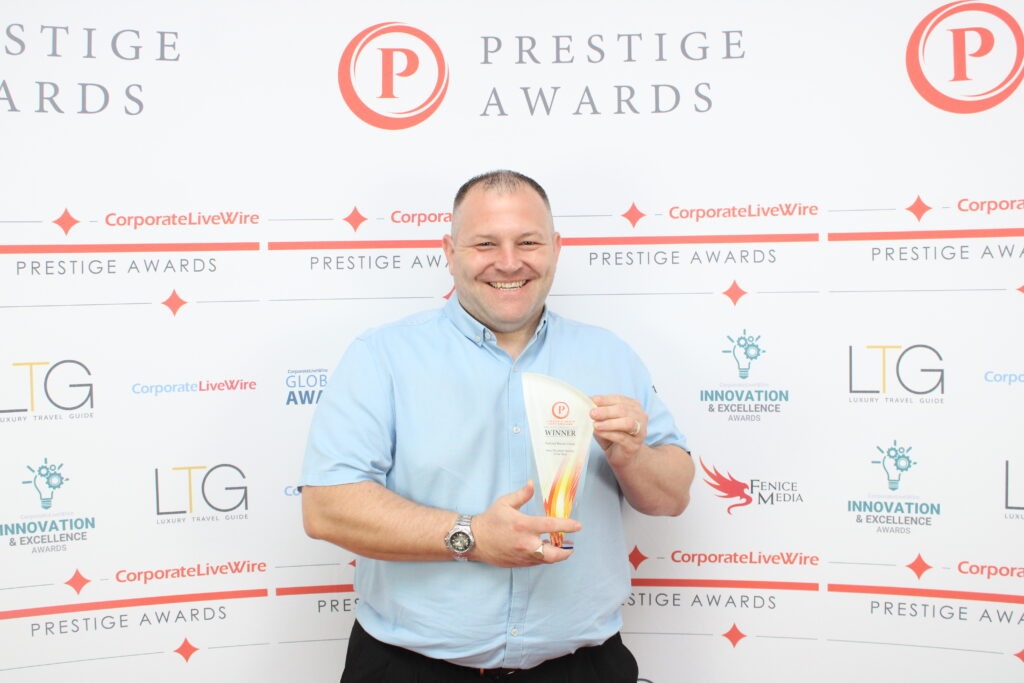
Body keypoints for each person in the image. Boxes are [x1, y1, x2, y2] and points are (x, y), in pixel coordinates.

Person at [300, 170, 694, 682]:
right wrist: (470, 535)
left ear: (556, 247)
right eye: (486, 243)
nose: (509, 262)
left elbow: (672, 496)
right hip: (411, 669)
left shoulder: (610, 354)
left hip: (583, 669)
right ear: (450, 251)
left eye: (527, 242)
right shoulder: (382, 357)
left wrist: (631, 456)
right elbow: (326, 508)